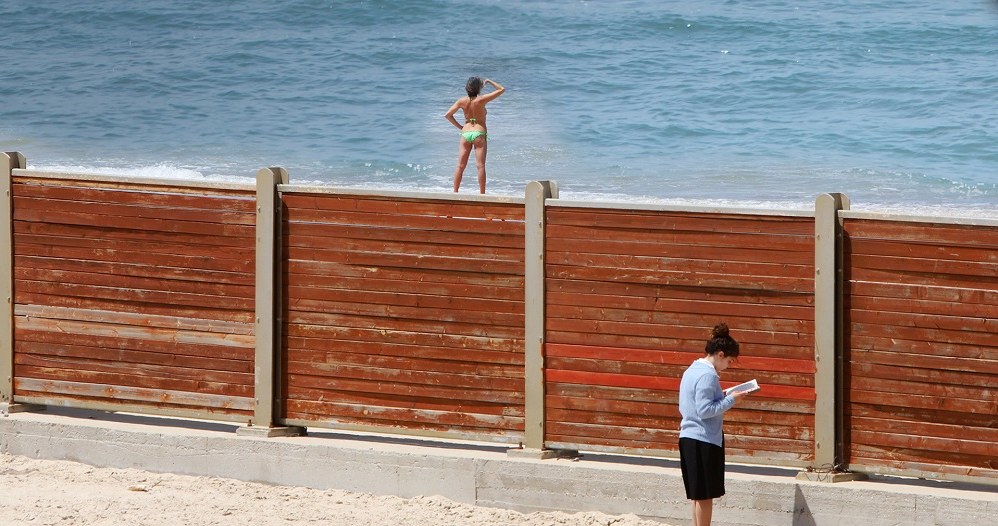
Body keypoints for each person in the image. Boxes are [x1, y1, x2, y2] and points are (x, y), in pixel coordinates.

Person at [678, 323, 755, 526]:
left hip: (689, 436)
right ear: (720, 355)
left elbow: (695, 404)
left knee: (697, 495)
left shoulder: (692, 370)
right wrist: (732, 400)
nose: (728, 366)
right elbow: (705, 410)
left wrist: (723, 395)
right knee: (705, 496)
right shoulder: (708, 375)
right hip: (703, 439)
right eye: (729, 361)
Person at [444, 77, 505, 193]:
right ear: (479, 88)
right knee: (480, 166)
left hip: (465, 133)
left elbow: (447, 115)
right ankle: (482, 195)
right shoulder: (481, 100)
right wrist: (489, 81)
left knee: (460, 166)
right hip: (479, 133)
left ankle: (455, 192)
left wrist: (461, 127)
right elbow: (501, 89)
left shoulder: (461, 101)